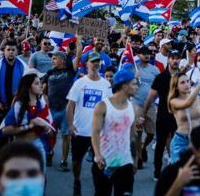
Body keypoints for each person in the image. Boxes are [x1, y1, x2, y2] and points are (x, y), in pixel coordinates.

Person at [66, 52, 112, 196]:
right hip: (80, 130)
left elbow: (109, 107)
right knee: (76, 161)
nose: (96, 64)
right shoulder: (79, 83)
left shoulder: (106, 84)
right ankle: (77, 180)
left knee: (99, 162)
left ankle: (98, 190)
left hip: (98, 132)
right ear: (86, 64)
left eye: (98, 61)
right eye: (93, 61)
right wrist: (70, 125)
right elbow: (70, 105)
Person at [91, 67, 137, 196]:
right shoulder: (102, 106)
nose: (136, 87)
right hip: (104, 163)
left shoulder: (132, 107)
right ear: (124, 85)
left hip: (125, 164)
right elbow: (95, 132)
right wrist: (98, 155)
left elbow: (132, 135)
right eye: (133, 83)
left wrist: (135, 158)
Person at [0, 71, 55, 168]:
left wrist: (45, 126)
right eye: (36, 83)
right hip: (21, 147)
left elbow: (51, 133)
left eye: (40, 82)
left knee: (40, 180)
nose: (41, 85)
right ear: (28, 86)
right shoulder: (18, 105)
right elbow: (5, 130)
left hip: (38, 146)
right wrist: (29, 126)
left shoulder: (42, 105)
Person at [0, 39, 29, 149]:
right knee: (2, 138)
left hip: (17, 108)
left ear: (17, 51)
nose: (10, 52)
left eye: (13, 50)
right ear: (3, 51)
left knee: (17, 138)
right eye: (8, 49)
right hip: (0, 107)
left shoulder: (24, 67)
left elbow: (28, 87)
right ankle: (2, 163)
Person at [145, 50, 181, 180]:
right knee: (160, 145)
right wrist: (143, 114)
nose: (175, 60)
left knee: (178, 145)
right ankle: (157, 171)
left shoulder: (182, 77)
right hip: (163, 116)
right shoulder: (160, 77)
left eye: (177, 58)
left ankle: (176, 170)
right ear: (168, 60)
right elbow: (150, 97)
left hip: (179, 117)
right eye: (172, 58)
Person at [42, 50, 77, 171]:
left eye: (55, 58)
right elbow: (43, 90)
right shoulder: (49, 73)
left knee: (66, 136)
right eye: (52, 58)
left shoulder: (70, 71)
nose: (52, 60)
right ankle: (50, 152)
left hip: (65, 109)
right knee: (50, 134)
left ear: (63, 60)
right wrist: (45, 98)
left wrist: (78, 41)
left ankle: (64, 161)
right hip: (51, 109)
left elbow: (78, 57)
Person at [168, 71, 200, 163]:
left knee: (197, 173)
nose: (186, 84)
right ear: (176, 87)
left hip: (197, 140)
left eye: (187, 81)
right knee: (180, 172)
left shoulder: (199, 99)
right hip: (181, 141)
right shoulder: (173, 101)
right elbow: (187, 103)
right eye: (182, 82)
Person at [132, 46, 160, 169]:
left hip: (151, 105)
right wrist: (134, 77)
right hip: (137, 103)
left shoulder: (155, 70)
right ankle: (138, 158)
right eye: (144, 54)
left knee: (151, 133)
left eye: (148, 53)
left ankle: (143, 147)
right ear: (138, 55)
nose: (147, 55)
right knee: (138, 132)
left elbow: (159, 87)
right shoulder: (134, 68)